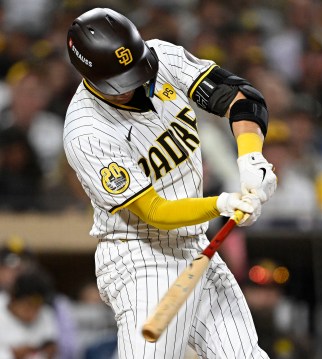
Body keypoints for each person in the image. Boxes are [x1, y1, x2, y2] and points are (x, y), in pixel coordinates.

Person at [63, 7, 277, 359]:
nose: (134, 83)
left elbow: (241, 96)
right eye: (122, 80)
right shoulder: (86, 131)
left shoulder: (162, 56)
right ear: (90, 74)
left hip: (194, 244)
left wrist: (250, 156)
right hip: (139, 255)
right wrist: (221, 204)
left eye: (136, 70)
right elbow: (154, 211)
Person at [0, 268, 59, 359]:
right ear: (13, 298)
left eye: (38, 307)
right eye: (29, 306)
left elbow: (50, 347)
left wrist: (48, 351)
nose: (33, 313)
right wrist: (12, 354)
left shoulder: (46, 314)